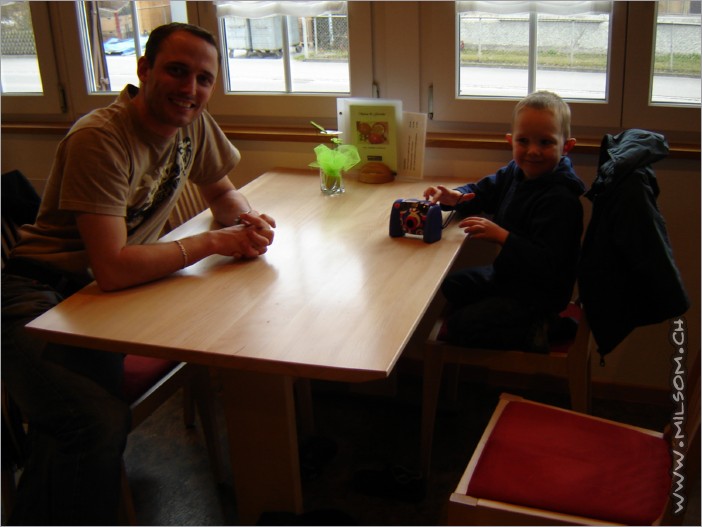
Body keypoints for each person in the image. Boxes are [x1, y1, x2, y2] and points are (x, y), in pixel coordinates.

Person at [1, 22, 275, 525]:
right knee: (90, 422)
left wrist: (245, 221)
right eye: (176, 71)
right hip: (38, 295)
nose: (190, 89)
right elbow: (112, 267)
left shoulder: (192, 120)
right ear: (144, 70)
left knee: (70, 425)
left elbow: (220, 190)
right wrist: (214, 241)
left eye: (203, 78)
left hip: (100, 299)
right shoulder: (99, 138)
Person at [423, 90, 585, 352]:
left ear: (566, 146)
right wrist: (456, 196)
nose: (533, 151)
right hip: (509, 276)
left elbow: (548, 263)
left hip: (538, 294)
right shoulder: (515, 171)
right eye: (524, 141)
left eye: (545, 142)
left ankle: (546, 327)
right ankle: (511, 319)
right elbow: (484, 192)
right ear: (511, 141)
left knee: (459, 327)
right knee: (452, 286)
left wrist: (503, 236)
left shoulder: (560, 199)